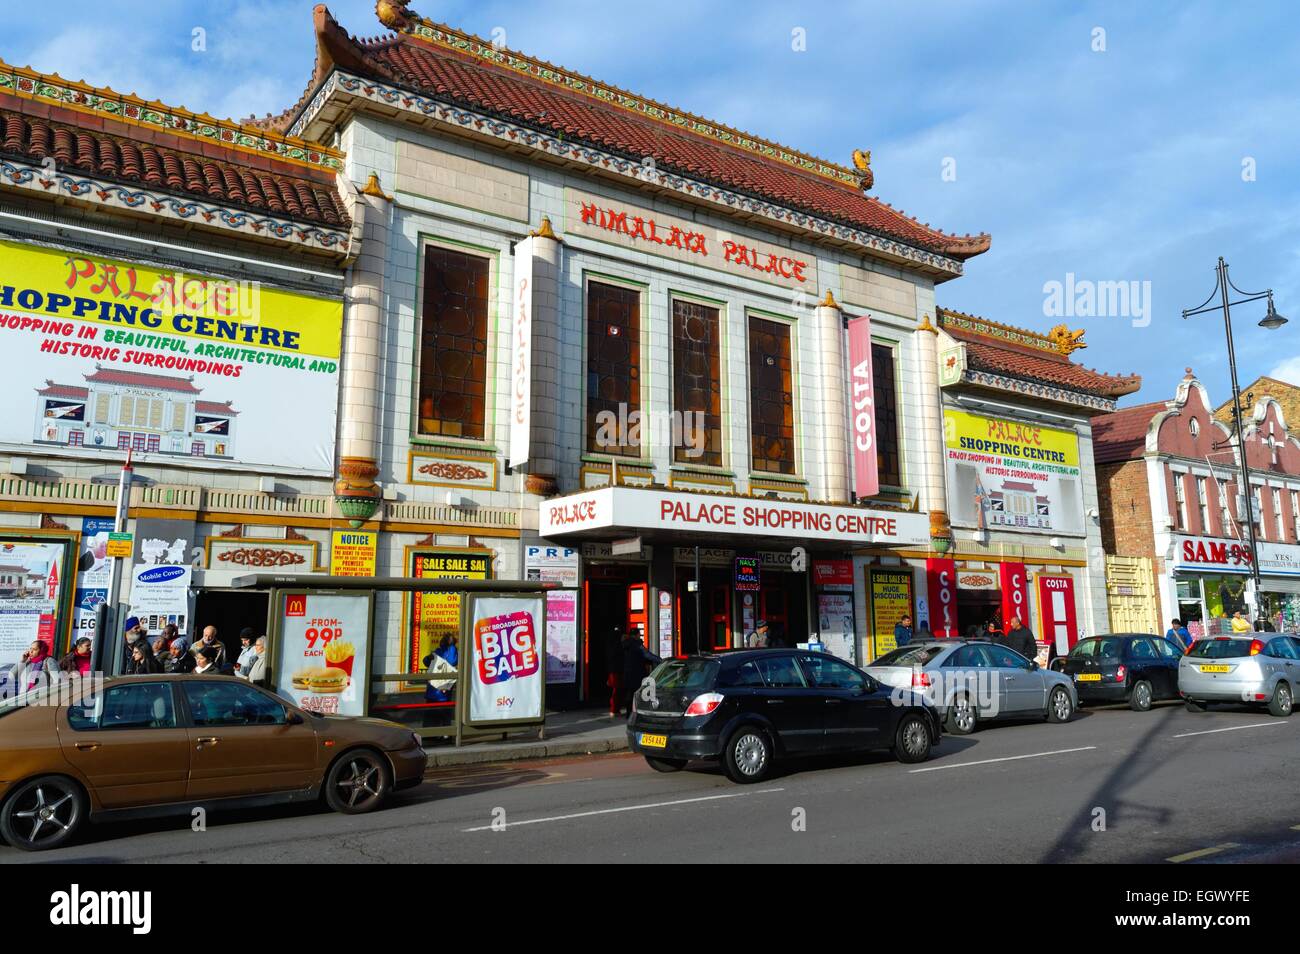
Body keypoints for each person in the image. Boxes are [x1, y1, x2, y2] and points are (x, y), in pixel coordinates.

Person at [620, 626, 661, 715]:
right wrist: (661, 661)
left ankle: (629, 713)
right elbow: (648, 655)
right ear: (637, 635)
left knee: (630, 693)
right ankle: (637, 712)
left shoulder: (624, 644)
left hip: (627, 672)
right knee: (639, 693)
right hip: (637, 673)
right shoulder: (637, 644)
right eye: (639, 634)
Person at [605, 625, 625, 717]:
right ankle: (614, 709)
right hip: (617, 670)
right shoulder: (619, 645)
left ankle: (615, 709)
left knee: (616, 689)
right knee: (617, 690)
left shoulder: (610, 644)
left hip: (612, 670)